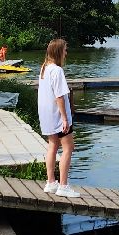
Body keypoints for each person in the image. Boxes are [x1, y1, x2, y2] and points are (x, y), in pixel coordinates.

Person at [37, 38, 79, 198]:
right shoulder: (57, 70)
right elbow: (60, 96)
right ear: (58, 52)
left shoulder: (44, 68)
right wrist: (65, 118)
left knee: (52, 146)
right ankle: (63, 185)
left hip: (46, 114)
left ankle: (50, 182)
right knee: (69, 148)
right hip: (57, 115)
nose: (66, 53)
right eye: (65, 50)